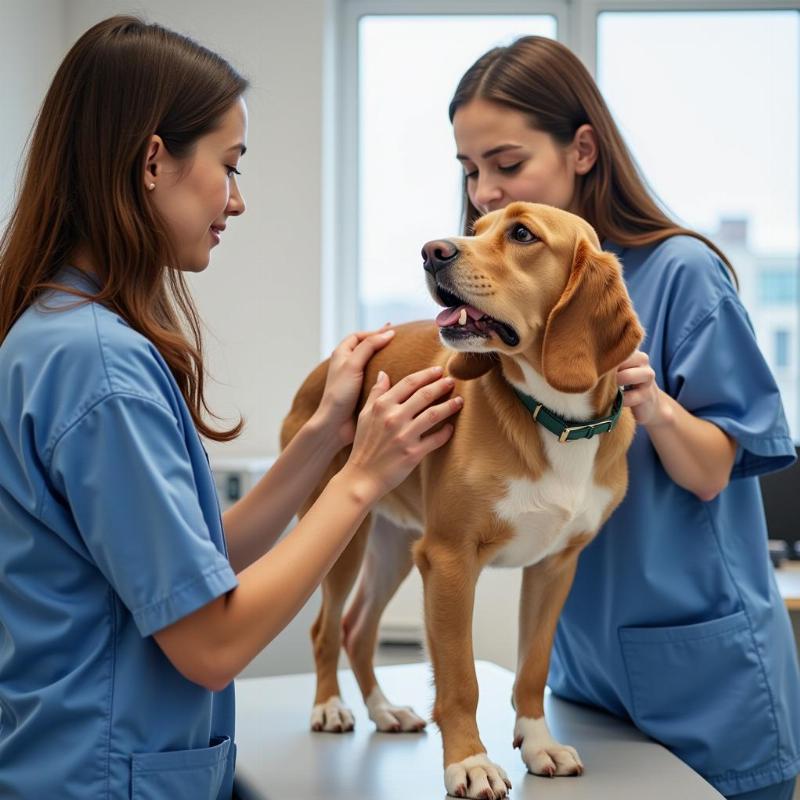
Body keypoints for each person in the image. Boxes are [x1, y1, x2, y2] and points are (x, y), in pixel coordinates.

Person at [0, 16, 463, 800]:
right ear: (154, 160)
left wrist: (322, 441)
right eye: (230, 165)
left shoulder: (54, 333)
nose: (238, 201)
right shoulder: (100, 368)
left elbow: (192, 568)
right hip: (105, 778)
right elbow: (211, 643)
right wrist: (363, 479)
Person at [443, 35, 800, 800]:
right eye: (471, 171)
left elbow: (712, 472)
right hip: (582, 680)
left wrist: (650, 402)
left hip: (703, 681)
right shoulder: (508, 289)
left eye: (507, 165)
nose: (485, 193)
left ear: (581, 149)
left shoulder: (681, 276)